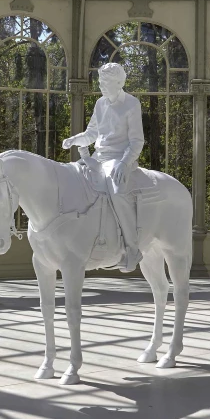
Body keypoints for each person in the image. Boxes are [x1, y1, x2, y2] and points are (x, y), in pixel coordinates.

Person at [63, 62, 144, 272]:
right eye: (100, 82)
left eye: (105, 82)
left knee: (117, 191)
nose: (101, 86)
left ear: (119, 83)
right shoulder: (100, 103)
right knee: (70, 178)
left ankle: (132, 249)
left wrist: (125, 163)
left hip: (118, 159)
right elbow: (92, 133)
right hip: (98, 158)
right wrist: (75, 139)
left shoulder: (131, 104)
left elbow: (137, 141)